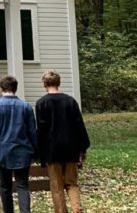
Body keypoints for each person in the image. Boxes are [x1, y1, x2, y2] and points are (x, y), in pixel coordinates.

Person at [35, 70, 90, 213]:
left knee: (56, 186)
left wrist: (40, 153)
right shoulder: (70, 101)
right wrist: (83, 148)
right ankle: (77, 208)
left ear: (44, 84)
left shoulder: (42, 103)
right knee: (72, 183)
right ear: (59, 83)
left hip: (52, 150)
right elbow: (79, 126)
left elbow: (41, 131)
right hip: (71, 148)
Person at [0, 75, 37, 213]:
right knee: (23, 186)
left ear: (0, 88)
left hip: (3, 151)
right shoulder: (26, 107)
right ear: (15, 88)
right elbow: (32, 131)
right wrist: (35, 150)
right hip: (23, 151)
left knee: (5, 187)